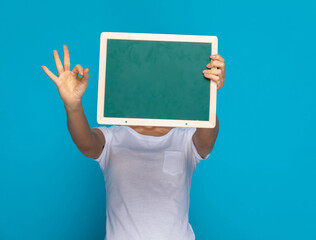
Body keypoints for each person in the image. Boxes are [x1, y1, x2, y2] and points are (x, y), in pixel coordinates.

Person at [42, 45, 225, 240]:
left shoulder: (185, 138)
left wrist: (207, 93)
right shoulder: (112, 138)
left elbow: (206, 141)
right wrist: (72, 105)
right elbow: (86, 143)